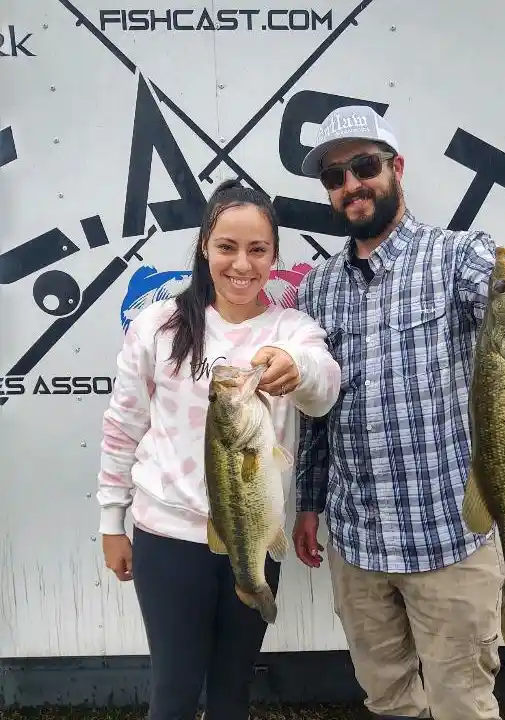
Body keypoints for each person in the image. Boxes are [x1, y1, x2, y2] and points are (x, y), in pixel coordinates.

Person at [291, 106, 505, 720]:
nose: (351, 184)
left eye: (364, 166)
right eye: (335, 176)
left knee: (463, 703)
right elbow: (317, 415)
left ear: (395, 169)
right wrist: (309, 502)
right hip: (358, 545)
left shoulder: (457, 256)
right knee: (387, 699)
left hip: (450, 541)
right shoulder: (316, 288)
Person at [96, 179, 341, 720]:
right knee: (174, 694)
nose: (242, 264)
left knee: (232, 693)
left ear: (275, 257)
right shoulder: (159, 325)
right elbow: (123, 424)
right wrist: (112, 521)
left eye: (258, 250)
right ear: (204, 246)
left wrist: (296, 367)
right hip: (167, 539)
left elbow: (323, 390)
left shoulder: (292, 329)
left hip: (252, 536)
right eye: (227, 246)